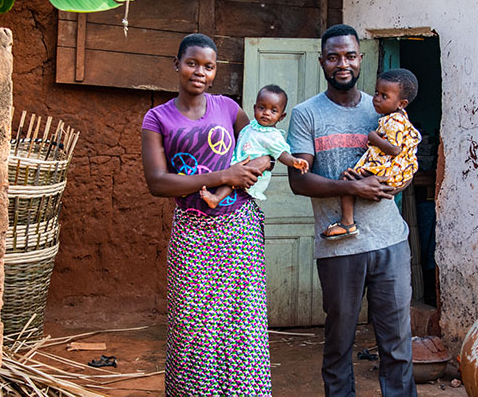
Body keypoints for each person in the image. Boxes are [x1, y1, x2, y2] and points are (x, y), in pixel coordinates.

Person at [286, 24, 418, 396]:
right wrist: (352, 186)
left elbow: (405, 160)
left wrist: (399, 181)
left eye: (349, 55)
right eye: (333, 57)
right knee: (339, 343)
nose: (341, 64)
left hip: (390, 241)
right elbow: (299, 181)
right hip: (339, 246)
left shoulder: (384, 107)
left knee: (396, 344)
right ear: (322, 62)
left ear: (360, 59)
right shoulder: (306, 114)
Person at [141, 33, 272, 396]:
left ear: (215, 72)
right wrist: (223, 176)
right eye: (192, 63)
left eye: (208, 66)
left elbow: (264, 147)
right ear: (177, 65)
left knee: (242, 325)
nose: (199, 71)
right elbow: (157, 182)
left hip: (239, 229)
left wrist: (261, 163)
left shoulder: (229, 108)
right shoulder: (157, 118)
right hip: (191, 234)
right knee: (194, 328)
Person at [321, 68, 421, 240]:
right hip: (395, 171)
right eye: (377, 93)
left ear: (401, 103)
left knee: (346, 180)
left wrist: (373, 136)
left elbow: (394, 149)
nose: (377, 99)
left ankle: (347, 223)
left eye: (384, 96)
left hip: (386, 170)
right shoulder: (399, 118)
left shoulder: (394, 121)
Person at [201, 84, 309, 208]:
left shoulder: (273, 136)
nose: (266, 113)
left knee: (232, 180)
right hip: (239, 166)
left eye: (273, 111)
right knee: (231, 176)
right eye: (262, 107)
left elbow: (282, 154)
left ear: (281, 116)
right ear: (254, 108)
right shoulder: (251, 126)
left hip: (252, 171)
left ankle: (216, 198)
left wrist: (294, 161)